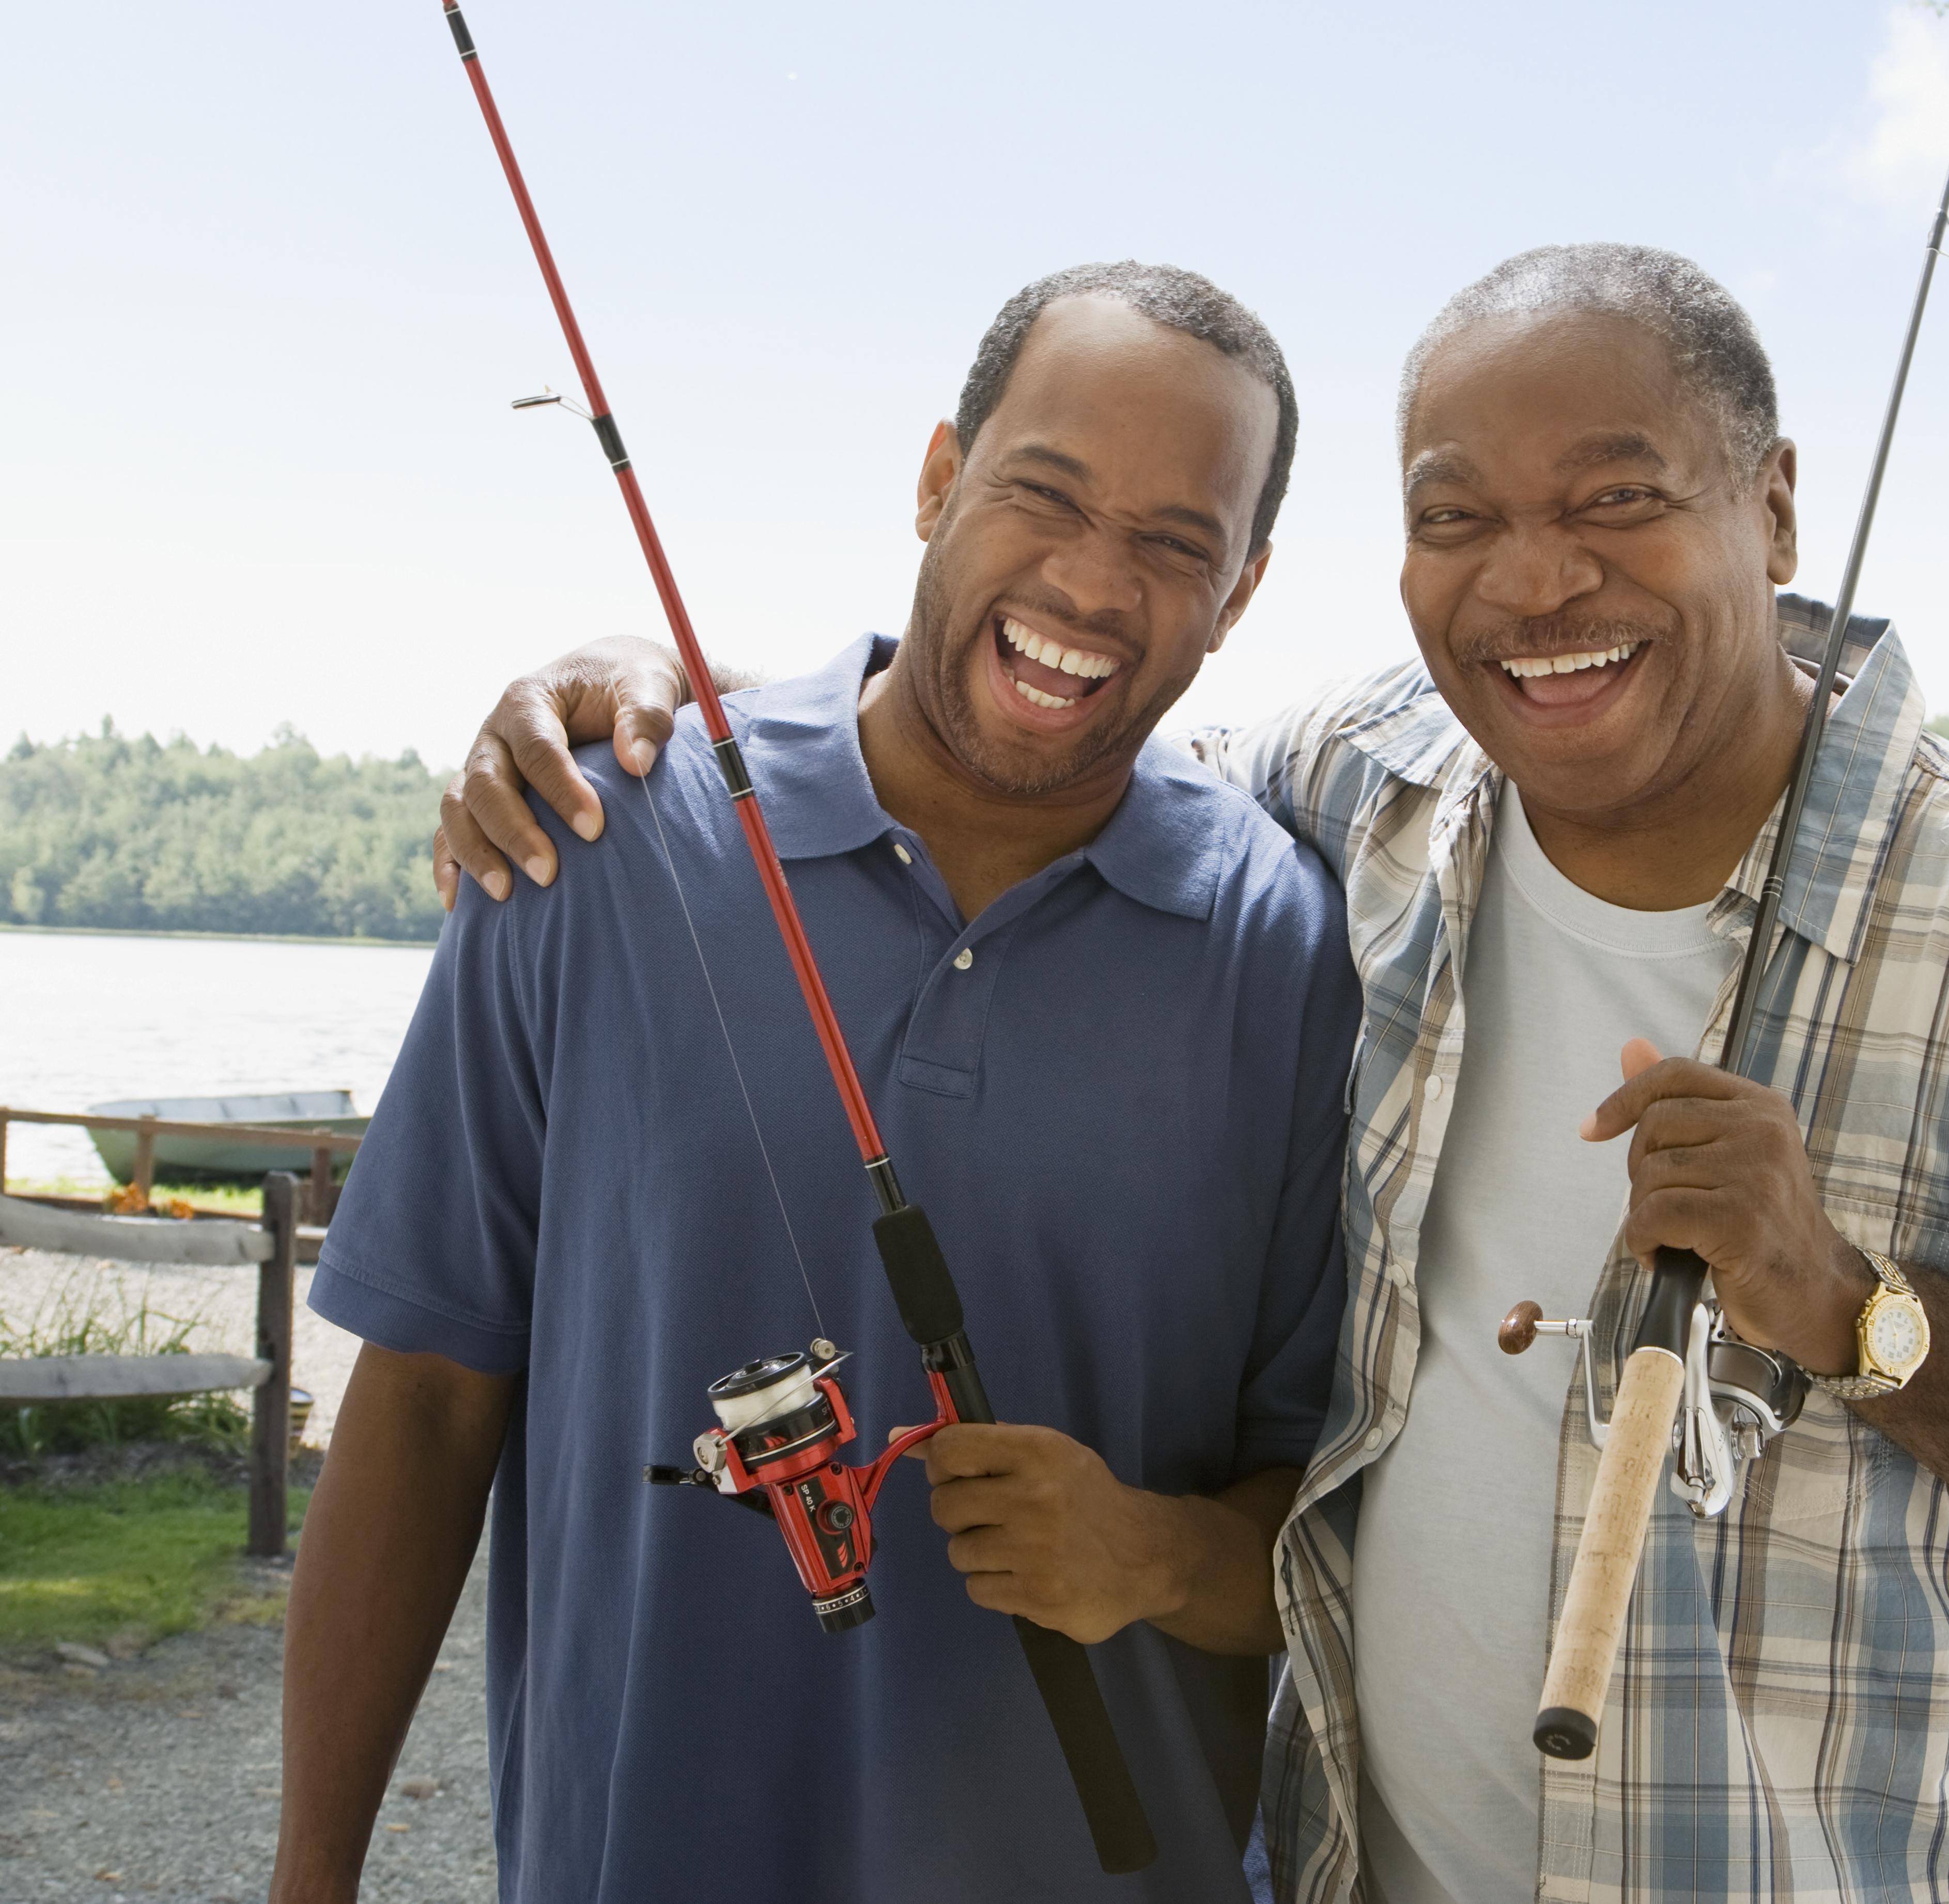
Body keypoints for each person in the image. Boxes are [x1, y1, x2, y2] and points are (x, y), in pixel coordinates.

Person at [436, 244, 1949, 1904]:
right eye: (1456, 515)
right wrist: (667, 704)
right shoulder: (1364, 789)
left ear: (1776, 508)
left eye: (1617, 499)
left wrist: (1841, 1300)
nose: (1534, 578)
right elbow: (1039, 715)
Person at [274, 262, 1363, 1904]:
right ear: (937, 479)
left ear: (1245, 588)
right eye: (1039, 493)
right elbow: (424, 1397)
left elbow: (1338, 1531)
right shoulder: (594, 831)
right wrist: (309, 1878)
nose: (1087, 579)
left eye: (1172, 542)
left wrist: (1158, 1552)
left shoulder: (1293, 952)